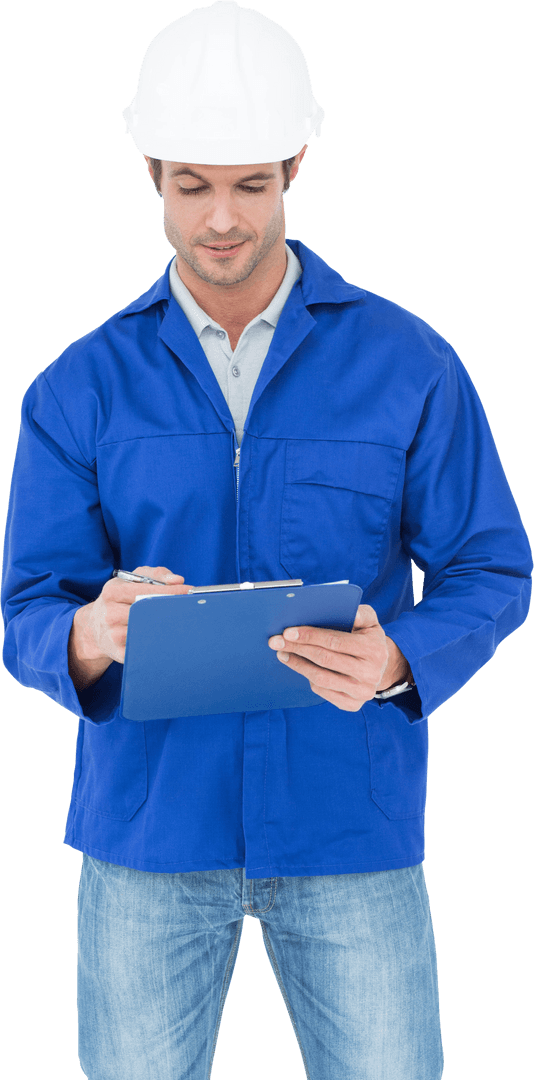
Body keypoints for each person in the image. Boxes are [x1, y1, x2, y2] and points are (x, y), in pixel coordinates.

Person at [1, 2, 531, 1077]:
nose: (221, 219)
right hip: (149, 832)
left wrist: (399, 658)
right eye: (191, 185)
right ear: (151, 172)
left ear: (294, 163)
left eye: (251, 184)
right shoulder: (79, 387)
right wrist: (89, 634)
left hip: (349, 825)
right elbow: (28, 605)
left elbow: (491, 565)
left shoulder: (410, 364)